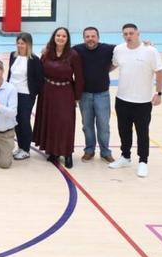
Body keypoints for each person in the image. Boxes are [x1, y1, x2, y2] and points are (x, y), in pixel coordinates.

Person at [109, 23, 162, 178]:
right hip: (122, 99)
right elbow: (112, 66)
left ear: (138, 33)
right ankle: (125, 157)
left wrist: (159, 93)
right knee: (123, 131)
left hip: (143, 101)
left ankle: (143, 162)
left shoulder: (150, 51)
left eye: (131, 33)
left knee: (142, 132)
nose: (128, 36)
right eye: (125, 33)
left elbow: (159, 72)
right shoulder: (119, 49)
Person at [33, 27, 83, 168]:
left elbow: (79, 77)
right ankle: (53, 151)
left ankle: (67, 153)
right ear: (54, 37)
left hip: (65, 92)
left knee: (65, 123)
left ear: (67, 39)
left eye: (63, 36)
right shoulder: (47, 52)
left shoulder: (73, 55)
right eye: (58, 35)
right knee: (50, 122)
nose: (60, 38)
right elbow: (40, 69)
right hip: (47, 92)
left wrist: (77, 96)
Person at [72, 27, 116, 163]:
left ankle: (105, 152)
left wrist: (145, 45)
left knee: (103, 125)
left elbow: (126, 49)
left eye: (93, 36)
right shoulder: (77, 49)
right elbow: (60, 50)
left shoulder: (108, 49)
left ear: (98, 37)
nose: (90, 39)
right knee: (87, 125)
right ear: (83, 38)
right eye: (87, 36)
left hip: (102, 94)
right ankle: (89, 150)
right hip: (84, 95)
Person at [7, 33, 43, 161]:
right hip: (12, 93)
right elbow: (9, 75)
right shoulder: (13, 55)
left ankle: (26, 149)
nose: (20, 45)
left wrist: (33, 94)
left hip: (26, 95)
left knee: (24, 121)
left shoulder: (34, 59)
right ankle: (20, 147)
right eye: (18, 43)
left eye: (22, 43)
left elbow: (39, 80)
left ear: (28, 44)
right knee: (16, 121)